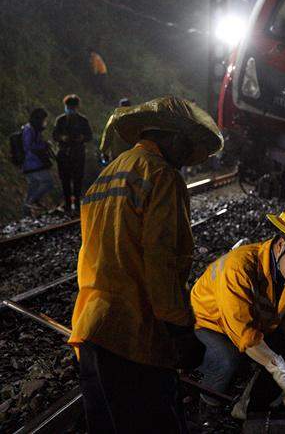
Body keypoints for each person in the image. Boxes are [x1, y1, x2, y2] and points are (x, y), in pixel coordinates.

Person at [69, 96, 223, 433]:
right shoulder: (161, 175)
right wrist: (181, 331)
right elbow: (162, 262)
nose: (186, 158)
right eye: (187, 147)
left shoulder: (105, 176)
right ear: (174, 137)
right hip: (135, 336)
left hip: (91, 326)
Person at [190, 205, 285, 410]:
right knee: (227, 358)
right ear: (281, 245)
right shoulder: (239, 267)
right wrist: (279, 369)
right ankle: (207, 407)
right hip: (210, 322)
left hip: (255, 322)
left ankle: (251, 407)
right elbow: (244, 333)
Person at [53, 95, 93, 214]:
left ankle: (76, 204)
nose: (70, 109)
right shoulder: (60, 120)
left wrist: (82, 138)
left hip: (78, 154)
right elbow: (55, 135)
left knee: (77, 180)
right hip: (64, 154)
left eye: (72, 107)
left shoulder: (83, 120)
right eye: (68, 107)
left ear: (76, 107)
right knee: (65, 180)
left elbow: (89, 136)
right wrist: (62, 138)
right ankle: (68, 204)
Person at [21, 108, 55, 216]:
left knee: (33, 186)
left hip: (32, 163)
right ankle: (30, 203)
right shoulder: (29, 129)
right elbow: (29, 146)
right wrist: (44, 145)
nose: (45, 122)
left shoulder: (34, 130)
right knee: (48, 182)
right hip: (32, 163)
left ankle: (26, 214)